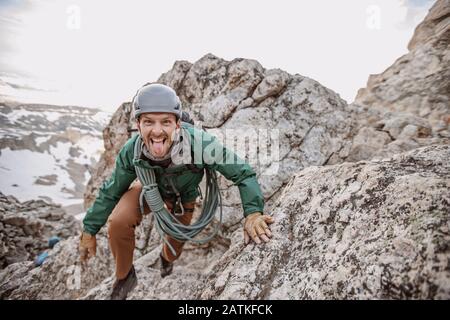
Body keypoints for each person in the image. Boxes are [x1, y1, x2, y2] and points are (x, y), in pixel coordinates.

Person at [79, 83, 274, 300]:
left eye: (166, 122)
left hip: (183, 198)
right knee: (119, 220)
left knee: (174, 248)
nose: (157, 130)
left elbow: (243, 173)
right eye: (148, 122)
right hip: (147, 189)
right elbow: (111, 191)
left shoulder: (199, 144)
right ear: (138, 124)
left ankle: (166, 261)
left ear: (177, 123)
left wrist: (253, 213)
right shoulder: (131, 152)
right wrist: (89, 230)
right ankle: (124, 276)